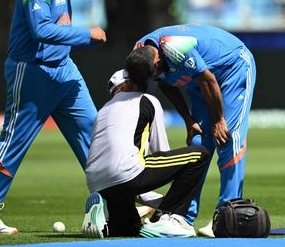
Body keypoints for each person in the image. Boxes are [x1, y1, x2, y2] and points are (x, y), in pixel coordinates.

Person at [0, 0, 106, 235]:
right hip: (31, 72)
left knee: (96, 135)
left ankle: (113, 201)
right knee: (13, 142)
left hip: (65, 71)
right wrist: (86, 35)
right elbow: (40, 29)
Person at [134, 23, 256, 237]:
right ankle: (182, 217)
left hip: (232, 66)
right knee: (198, 144)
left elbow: (208, 79)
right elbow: (166, 84)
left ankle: (227, 216)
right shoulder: (140, 54)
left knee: (228, 139)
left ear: (157, 60)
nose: (157, 76)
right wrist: (189, 120)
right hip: (197, 78)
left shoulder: (174, 47)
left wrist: (218, 119)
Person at [82, 47, 210, 238]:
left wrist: (157, 200)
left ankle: (102, 216)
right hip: (126, 175)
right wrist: (170, 204)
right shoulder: (147, 100)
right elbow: (162, 153)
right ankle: (165, 219)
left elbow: (128, 175)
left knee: (130, 228)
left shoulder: (103, 111)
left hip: (96, 184)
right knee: (199, 155)